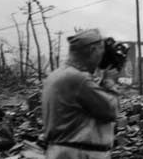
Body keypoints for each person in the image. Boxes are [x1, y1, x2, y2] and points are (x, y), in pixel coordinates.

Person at [41, 29, 119, 158]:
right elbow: (111, 110)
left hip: (63, 151)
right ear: (93, 50)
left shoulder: (57, 75)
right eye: (102, 51)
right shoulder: (78, 79)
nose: (102, 57)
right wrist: (109, 82)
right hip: (78, 153)